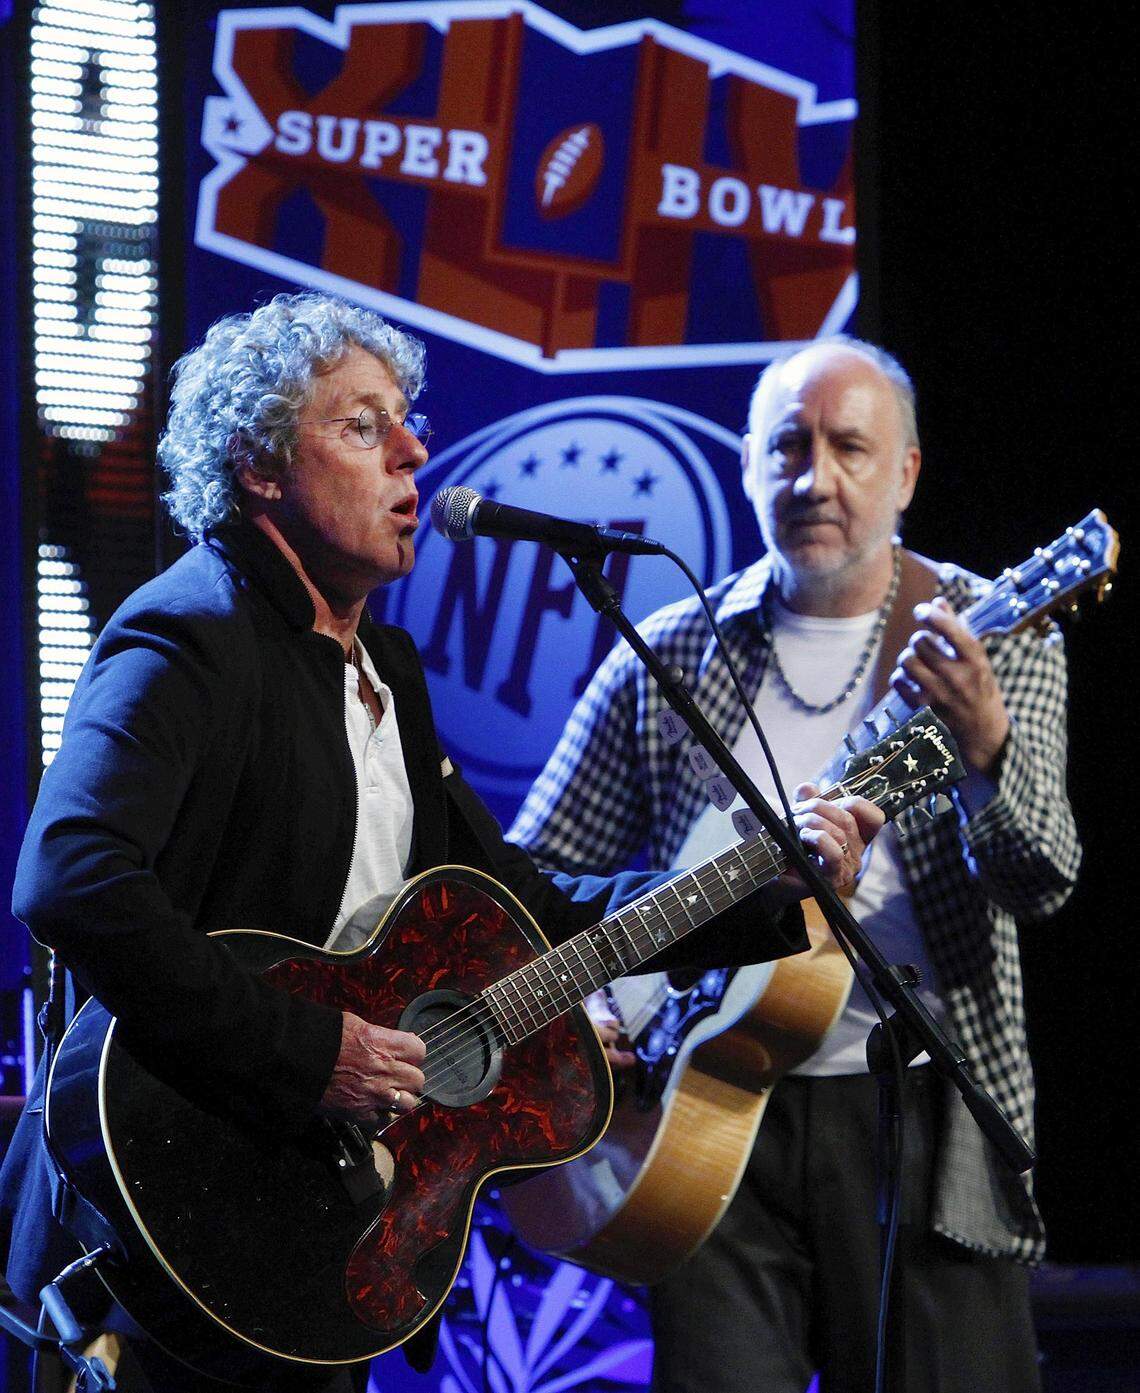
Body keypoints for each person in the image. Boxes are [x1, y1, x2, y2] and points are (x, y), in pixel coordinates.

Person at [0, 295, 882, 1393]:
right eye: (365, 425)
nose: (416, 448)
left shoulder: (386, 673)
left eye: (409, 421)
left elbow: (533, 908)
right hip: (161, 1223)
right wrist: (314, 1050)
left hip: (314, 1243)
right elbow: (70, 877)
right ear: (259, 465)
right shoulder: (190, 636)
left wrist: (767, 885)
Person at [509, 336, 1080, 1392]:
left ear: (906, 471)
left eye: (851, 448)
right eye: (788, 446)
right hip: (696, 1119)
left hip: (918, 1110)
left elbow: (1040, 878)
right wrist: (574, 1008)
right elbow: (531, 871)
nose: (816, 476)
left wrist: (987, 751)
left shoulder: (994, 640)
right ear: (746, 466)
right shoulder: (675, 645)